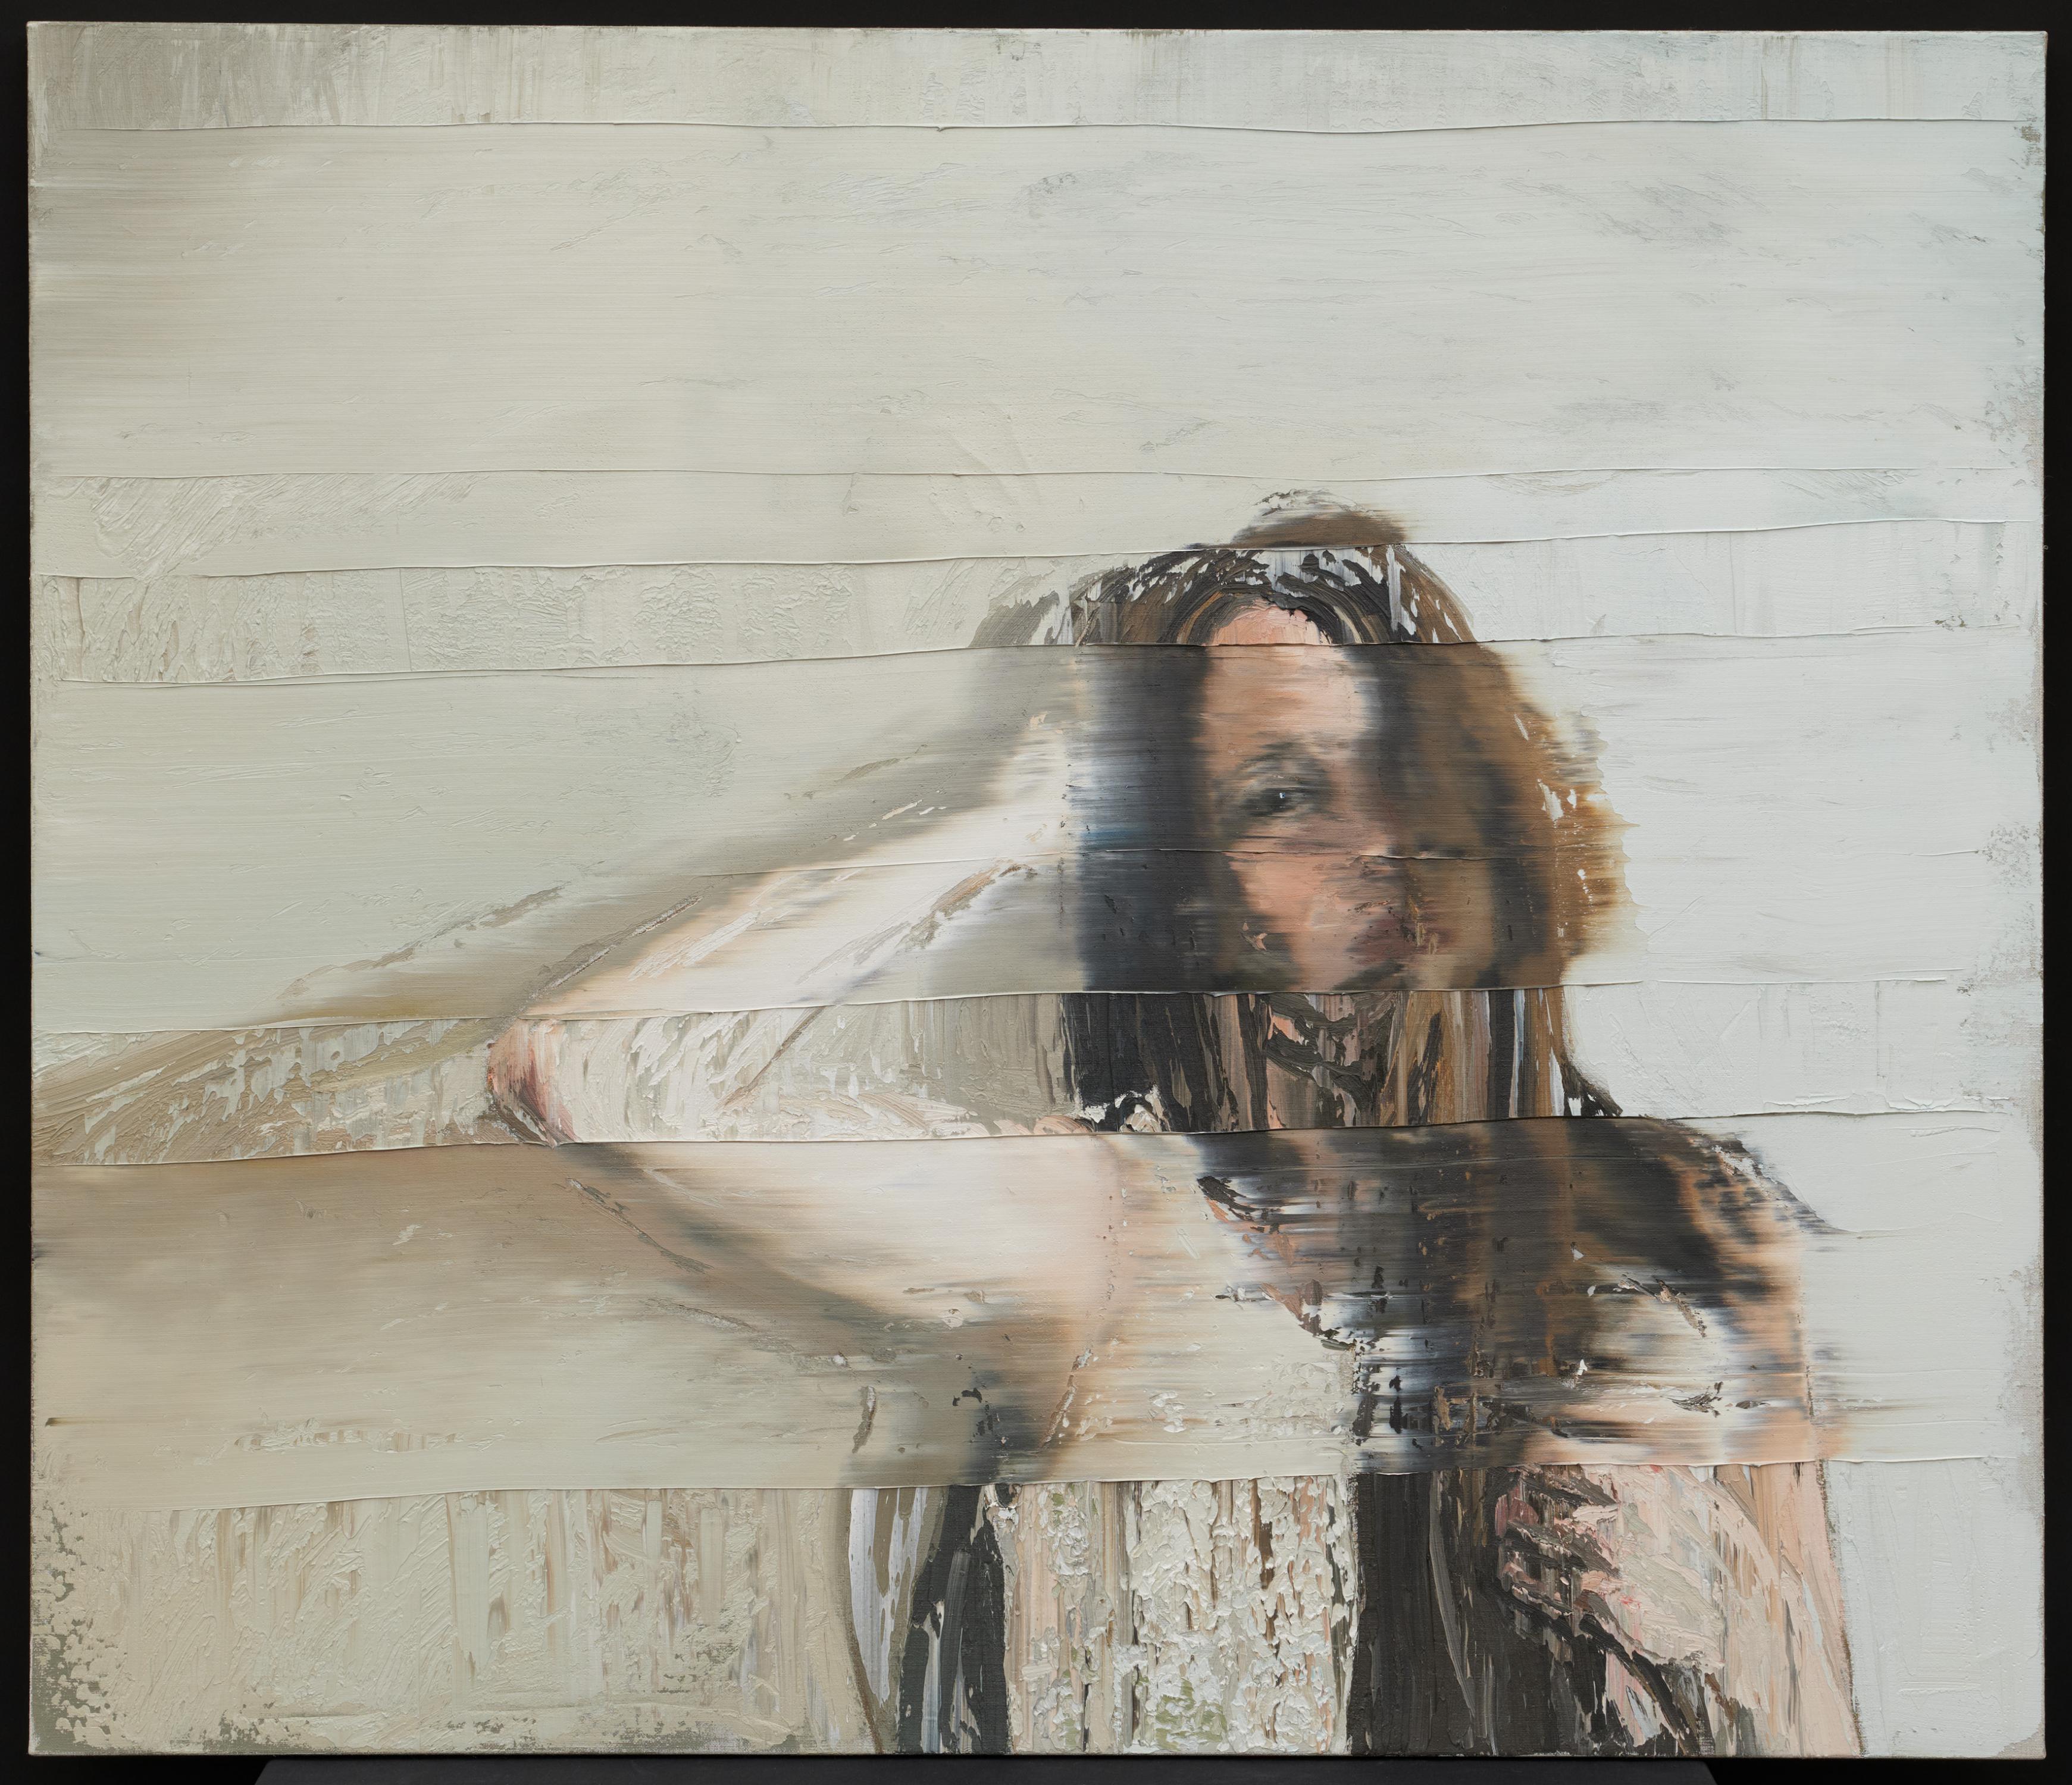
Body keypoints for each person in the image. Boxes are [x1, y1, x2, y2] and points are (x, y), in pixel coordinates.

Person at [485, 506, 1860, 1755]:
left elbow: (1827, 1734)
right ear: (1181, 885)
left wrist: (1725, 1624)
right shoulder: (1109, 1230)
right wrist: (1022, 811)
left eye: (1408, 770)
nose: (1378, 845)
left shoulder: (1696, 1230)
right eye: (1283, 798)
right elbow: (583, 1074)